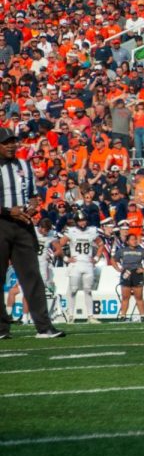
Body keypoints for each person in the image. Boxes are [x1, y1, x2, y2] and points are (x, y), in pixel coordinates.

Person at [0, 127, 64, 340]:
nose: (11, 145)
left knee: (32, 276)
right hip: (2, 224)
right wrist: (10, 211)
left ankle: (44, 327)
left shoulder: (25, 166)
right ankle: (1, 329)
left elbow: (35, 195)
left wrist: (33, 206)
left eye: (13, 141)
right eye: (6, 142)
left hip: (24, 225)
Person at [62, 209, 101, 324]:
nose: (82, 223)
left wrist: (96, 258)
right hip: (76, 264)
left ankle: (90, 316)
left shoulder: (92, 231)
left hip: (88, 264)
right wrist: (66, 258)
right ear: (76, 222)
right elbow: (58, 244)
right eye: (80, 221)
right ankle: (70, 315)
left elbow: (101, 244)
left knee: (88, 290)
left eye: (84, 220)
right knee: (73, 290)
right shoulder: (71, 231)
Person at [113, 230, 144, 322]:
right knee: (125, 296)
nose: (135, 241)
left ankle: (142, 316)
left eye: (135, 239)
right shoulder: (122, 250)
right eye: (132, 239)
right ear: (127, 241)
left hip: (137, 273)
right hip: (126, 273)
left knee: (139, 296)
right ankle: (123, 316)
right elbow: (113, 260)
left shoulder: (142, 250)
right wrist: (118, 269)